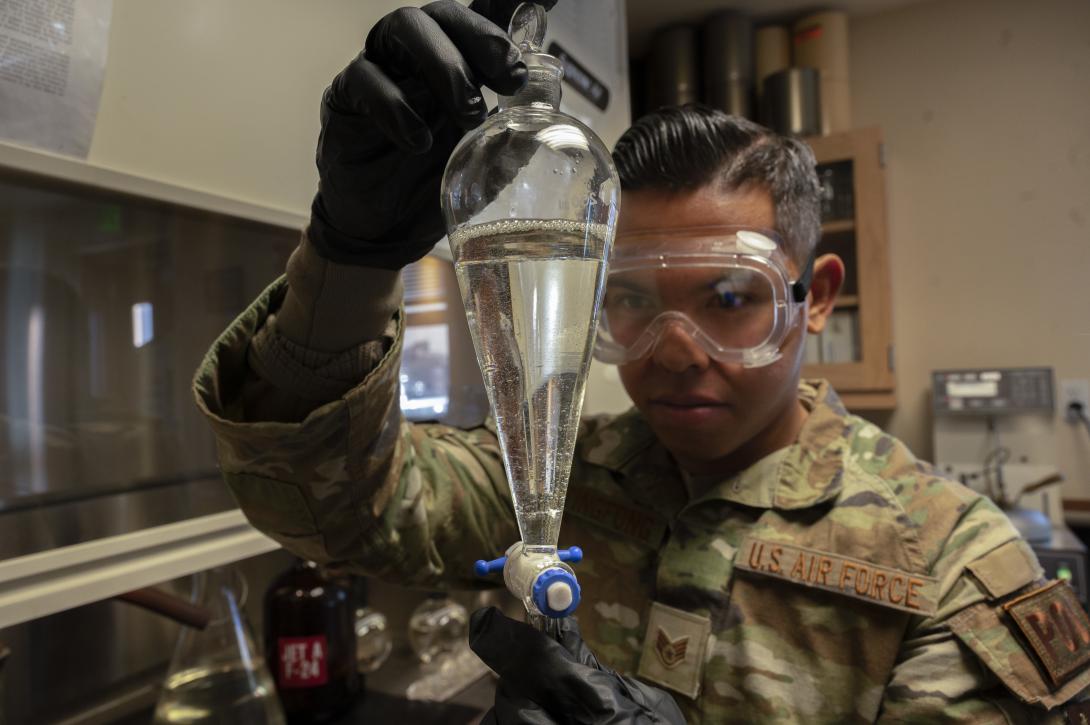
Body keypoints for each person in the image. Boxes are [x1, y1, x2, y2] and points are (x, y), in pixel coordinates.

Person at [193, 1, 1090, 722]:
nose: (671, 355)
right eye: (629, 301)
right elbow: (326, 503)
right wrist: (348, 262)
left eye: (730, 300)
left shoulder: (948, 565)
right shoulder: (552, 474)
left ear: (813, 295)